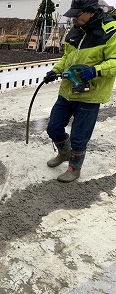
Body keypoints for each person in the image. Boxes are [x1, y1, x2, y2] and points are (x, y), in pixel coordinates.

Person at [43, 0, 116, 182]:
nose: (74, 18)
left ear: (91, 12)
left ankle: (75, 168)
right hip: (68, 90)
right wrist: (55, 71)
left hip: (90, 93)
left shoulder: (110, 30)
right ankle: (64, 151)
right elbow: (67, 56)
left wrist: (95, 70)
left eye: (78, 14)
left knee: (79, 134)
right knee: (53, 126)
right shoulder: (76, 29)